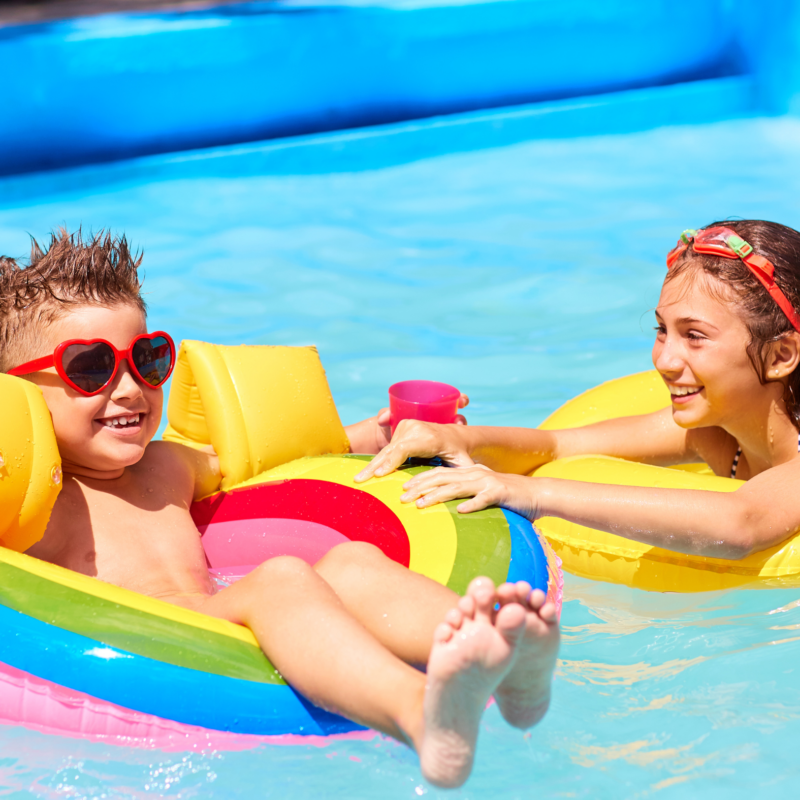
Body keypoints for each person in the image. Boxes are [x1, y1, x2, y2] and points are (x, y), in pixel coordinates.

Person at [0, 229, 559, 789]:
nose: (128, 389)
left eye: (147, 359)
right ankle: (418, 713)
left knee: (352, 561)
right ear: (17, 394)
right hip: (159, 646)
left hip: (225, 613)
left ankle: (496, 653)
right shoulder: (38, 505)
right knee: (281, 579)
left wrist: (375, 432)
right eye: (91, 368)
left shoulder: (168, 466)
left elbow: (261, 458)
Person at [356, 219, 800, 561]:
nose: (664, 360)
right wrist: (456, 439)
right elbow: (556, 446)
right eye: (662, 330)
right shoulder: (710, 429)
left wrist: (531, 494)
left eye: (696, 336)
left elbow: (744, 522)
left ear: (780, 356)